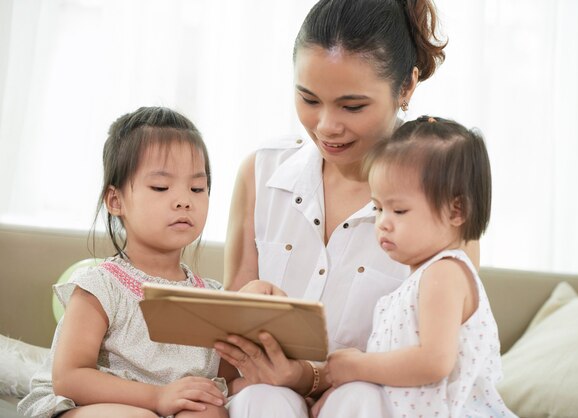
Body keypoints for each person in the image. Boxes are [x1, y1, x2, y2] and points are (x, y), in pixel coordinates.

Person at [215, 0, 478, 416]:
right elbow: (229, 364)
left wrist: (320, 382)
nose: (326, 126)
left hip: (378, 402)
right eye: (308, 99)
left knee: (360, 399)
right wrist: (242, 313)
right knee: (263, 398)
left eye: (352, 106)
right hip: (266, 398)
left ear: (406, 87)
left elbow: (439, 366)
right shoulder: (261, 173)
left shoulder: (441, 202)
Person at [18, 107, 230, 418]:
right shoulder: (101, 286)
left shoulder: (212, 297)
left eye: (197, 188)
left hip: (167, 408)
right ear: (116, 201)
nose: (184, 199)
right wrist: (156, 397)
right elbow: (70, 378)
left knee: (210, 412)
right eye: (161, 187)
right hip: (83, 405)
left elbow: (227, 380)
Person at [321, 115, 516, 417]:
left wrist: (358, 366)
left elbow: (434, 361)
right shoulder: (418, 280)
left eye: (399, 210)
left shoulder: (444, 273)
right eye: (378, 207)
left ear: (457, 210)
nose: (383, 222)